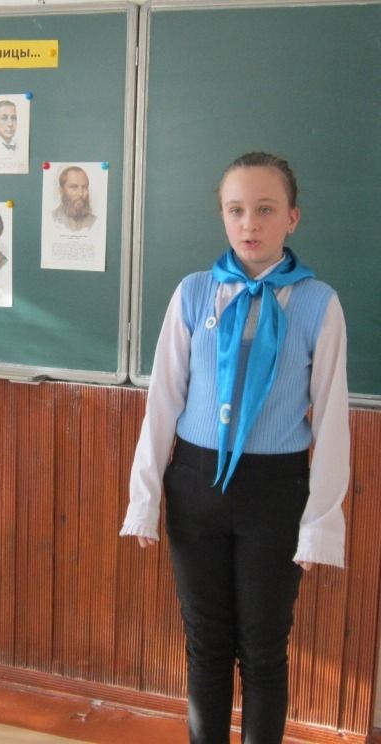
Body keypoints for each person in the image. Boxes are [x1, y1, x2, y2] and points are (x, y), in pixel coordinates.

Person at [120, 152, 350, 744]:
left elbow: (331, 420)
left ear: (292, 218)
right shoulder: (194, 294)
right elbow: (163, 402)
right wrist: (144, 500)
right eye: (237, 210)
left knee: (264, 648)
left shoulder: (318, 303)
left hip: (275, 492)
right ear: (223, 215)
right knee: (206, 644)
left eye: (266, 210)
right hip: (195, 485)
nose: (250, 223)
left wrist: (320, 523)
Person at [52, 166, 97, 232]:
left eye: (84, 187)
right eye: (74, 187)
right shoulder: (51, 219)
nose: (80, 193)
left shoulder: (96, 222)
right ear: (61, 191)